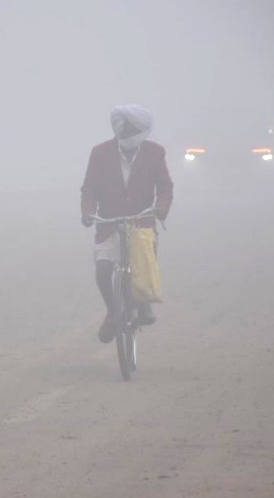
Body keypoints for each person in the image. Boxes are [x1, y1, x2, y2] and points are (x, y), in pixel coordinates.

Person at [80, 104, 173, 344]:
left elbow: (165, 187)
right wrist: (88, 212)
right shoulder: (100, 153)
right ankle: (113, 312)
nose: (128, 137)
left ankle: (142, 304)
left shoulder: (155, 153)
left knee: (144, 264)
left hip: (141, 223)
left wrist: (161, 208)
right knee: (103, 271)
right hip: (109, 224)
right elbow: (89, 188)